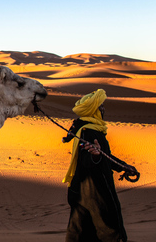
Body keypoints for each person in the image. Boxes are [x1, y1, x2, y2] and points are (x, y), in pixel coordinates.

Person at [62, 89, 136, 242]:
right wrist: (94, 156)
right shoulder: (88, 132)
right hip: (93, 192)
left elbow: (105, 157)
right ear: (92, 110)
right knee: (106, 231)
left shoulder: (92, 129)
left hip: (90, 191)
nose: (103, 109)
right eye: (100, 106)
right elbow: (85, 160)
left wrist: (123, 166)